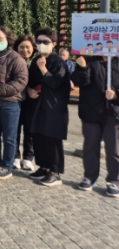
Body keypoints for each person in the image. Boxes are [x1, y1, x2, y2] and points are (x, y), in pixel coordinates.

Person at [0, 26, 28, 180]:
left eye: (0, 38)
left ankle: (7, 166)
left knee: (9, 138)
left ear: (7, 39)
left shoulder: (16, 58)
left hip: (10, 104)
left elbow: (21, 81)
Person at [27, 28, 71, 186]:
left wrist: (43, 69)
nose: (41, 44)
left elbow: (56, 82)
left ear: (53, 44)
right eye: (38, 41)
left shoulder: (59, 62)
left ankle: (55, 172)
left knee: (52, 138)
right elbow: (30, 80)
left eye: (45, 42)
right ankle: (43, 167)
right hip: (37, 104)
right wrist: (29, 89)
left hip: (54, 106)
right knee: (38, 136)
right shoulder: (36, 60)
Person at [72, 54, 119, 197]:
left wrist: (116, 96)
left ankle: (114, 180)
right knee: (90, 146)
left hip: (114, 114)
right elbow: (79, 82)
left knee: (114, 149)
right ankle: (89, 176)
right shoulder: (88, 60)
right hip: (91, 111)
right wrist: (82, 68)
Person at [13, 35, 37, 171]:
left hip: (32, 102)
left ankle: (28, 158)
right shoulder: (13, 61)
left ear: (33, 48)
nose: (25, 50)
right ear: (16, 48)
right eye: (21, 47)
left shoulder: (37, 62)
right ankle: (15, 156)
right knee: (14, 130)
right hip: (16, 100)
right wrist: (27, 88)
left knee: (30, 131)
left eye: (28, 47)